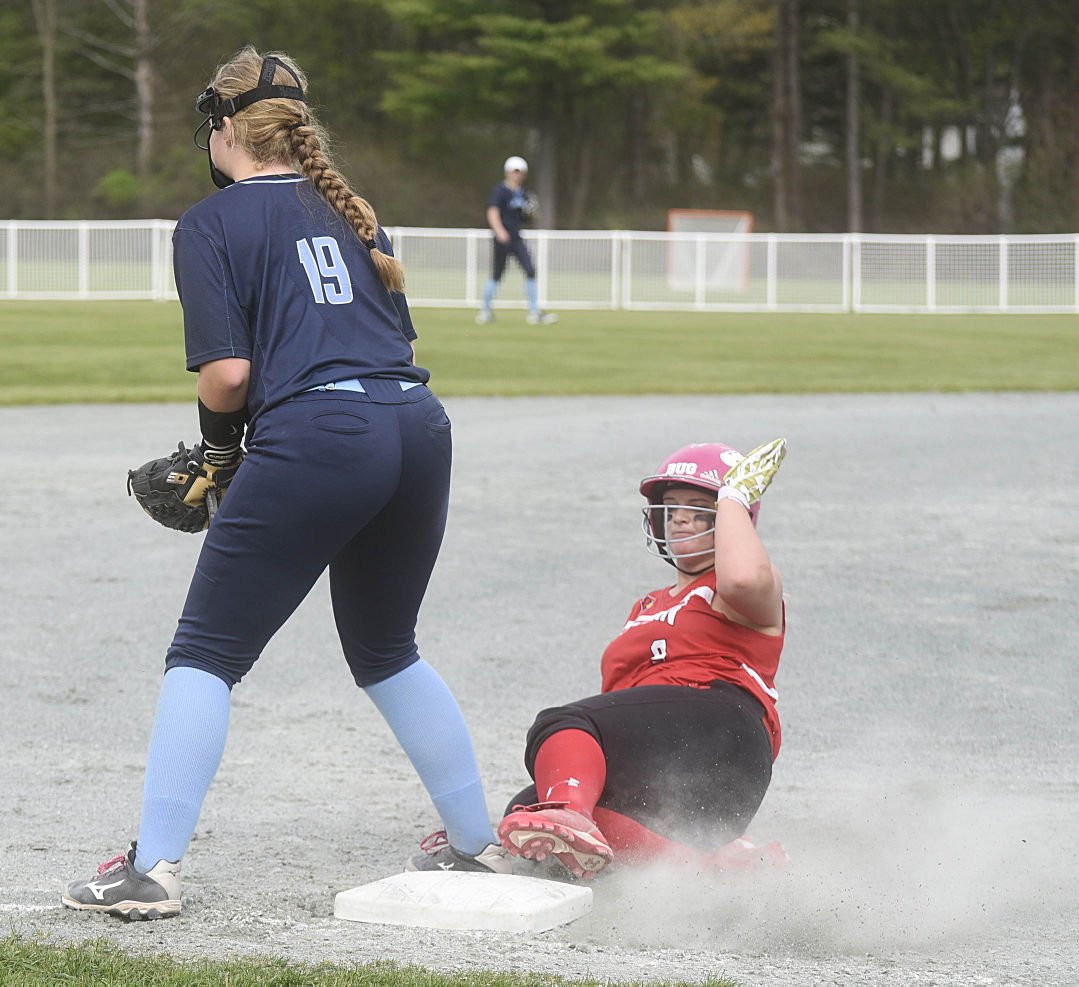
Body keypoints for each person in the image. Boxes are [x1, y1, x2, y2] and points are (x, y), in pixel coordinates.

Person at [62, 46, 509, 922]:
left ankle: (149, 867)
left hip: (320, 436)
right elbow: (402, 354)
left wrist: (218, 451)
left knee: (204, 652)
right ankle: (473, 841)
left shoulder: (211, 221)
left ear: (224, 127)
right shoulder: (356, 214)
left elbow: (228, 376)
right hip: (417, 428)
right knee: (387, 648)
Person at [497, 438, 790, 880]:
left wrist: (734, 495)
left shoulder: (738, 591)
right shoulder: (646, 605)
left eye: (700, 507)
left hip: (724, 730)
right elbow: (622, 712)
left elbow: (745, 578)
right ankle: (708, 869)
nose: (682, 518)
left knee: (560, 725)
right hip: (682, 779)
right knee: (526, 803)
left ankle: (570, 813)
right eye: (672, 508)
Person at [476, 155, 558, 326]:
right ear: (507, 172)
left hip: (516, 236)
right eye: (514, 171)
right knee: (497, 275)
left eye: (519, 172)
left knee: (530, 270)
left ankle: (534, 312)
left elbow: (528, 216)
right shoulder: (500, 191)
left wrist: (531, 212)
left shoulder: (523, 193)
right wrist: (499, 231)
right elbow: (492, 211)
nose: (516, 175)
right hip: (503, 237)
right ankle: (485, 311)